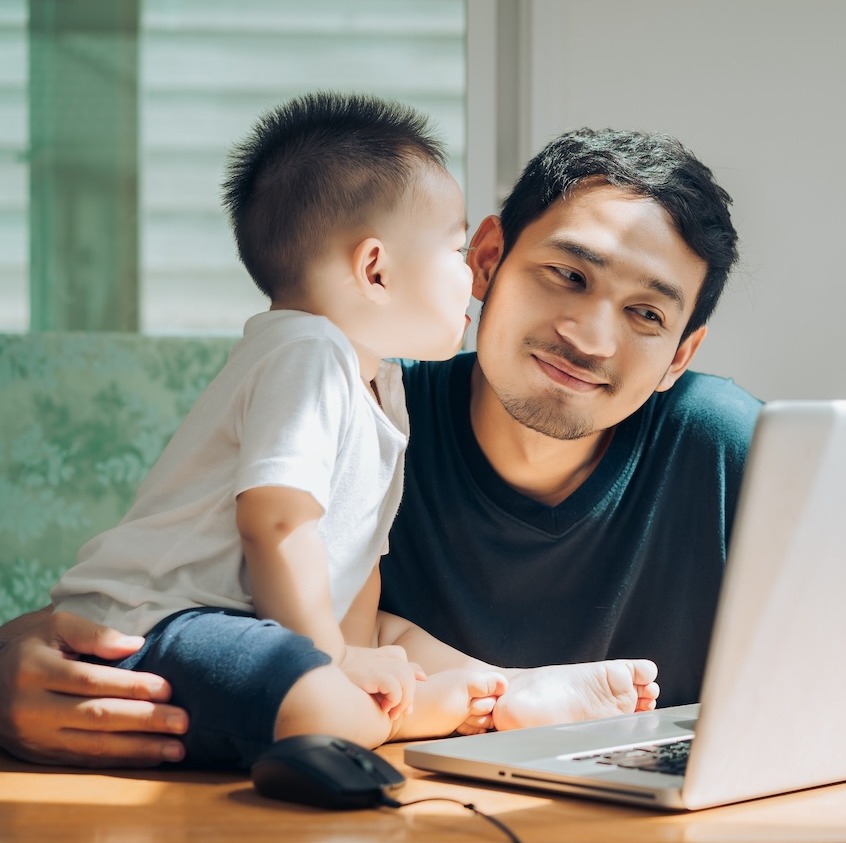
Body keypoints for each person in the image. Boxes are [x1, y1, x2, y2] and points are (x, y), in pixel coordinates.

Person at [0, 121, 758, 767]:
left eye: (646, 316)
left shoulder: (735, 450)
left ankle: (504, 694)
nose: (588, 336)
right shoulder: (356, 397)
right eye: (567, 274)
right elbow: (162, 590)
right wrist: (8, 670)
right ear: (485, 261)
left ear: (681, 355)